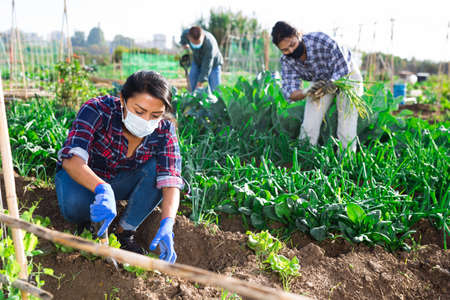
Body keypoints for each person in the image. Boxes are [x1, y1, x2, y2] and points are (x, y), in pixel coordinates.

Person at [55, 70, 183, 264]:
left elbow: (171, 179)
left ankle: (123, 233)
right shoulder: (98, 110)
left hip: (120, 182)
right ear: (122, 100)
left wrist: (168, 223)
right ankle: (91, 224)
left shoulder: (164, 130)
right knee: (75, 206)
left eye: (155, 114)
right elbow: (72, 159)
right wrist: (101, 188)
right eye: (139, 111)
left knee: (159, 171)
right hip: (83, 179)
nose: (146, 120)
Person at [271, 21, 363, 152]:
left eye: (292, 44)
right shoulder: (286, 61)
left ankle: (346, 159)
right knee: (310, 121)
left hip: (347, 75)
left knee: (346, 118)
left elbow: (343, 67)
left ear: (298, 35)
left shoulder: (321, 40)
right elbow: (290, 92)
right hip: (320, 81)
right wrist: (307, 91)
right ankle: (305, 156)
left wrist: (333, 83)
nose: (291, 50)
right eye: (285, 50)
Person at [180, 26, 223, 93]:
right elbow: (183, 37)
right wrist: (184, 44)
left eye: (198, 42)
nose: (196, 45)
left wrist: (200, 82)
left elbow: (207, 66)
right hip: (197, 61)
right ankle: (191, 101)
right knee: (192, 83)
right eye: (194, 43)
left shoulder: (210, 44)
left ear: (203, 36)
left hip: (213, 64)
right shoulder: (186, 34)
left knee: (216, 89)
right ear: (189, 38)